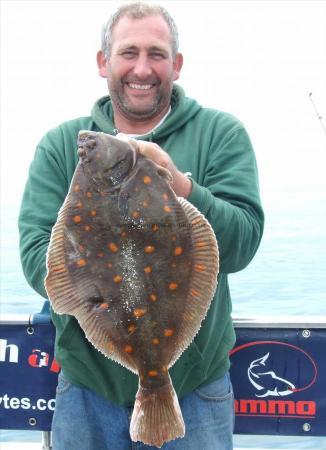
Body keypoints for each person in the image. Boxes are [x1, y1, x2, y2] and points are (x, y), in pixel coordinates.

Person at [18, 2, 264, 449]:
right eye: (128, 53)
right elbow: (37, 260)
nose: (142, 68)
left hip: (196, 388)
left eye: (157, 54)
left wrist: (181, 187)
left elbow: (242, 244)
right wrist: (91, 254)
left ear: (177, 64)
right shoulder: (59, 146)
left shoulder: (220, 134)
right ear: (103, 62)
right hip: (88, 391)